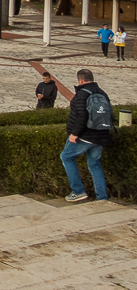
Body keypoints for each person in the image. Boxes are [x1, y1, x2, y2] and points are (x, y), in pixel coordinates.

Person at [62, 69, 112, 202]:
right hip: (100, 135)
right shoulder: (102, 93)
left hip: (85, 135)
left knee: (66, 157)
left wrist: (74, 134)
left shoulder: (82, 94)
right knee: (94, 164)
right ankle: (102, 197)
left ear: (81, 80)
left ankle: (78, 191)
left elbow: (81, 116)